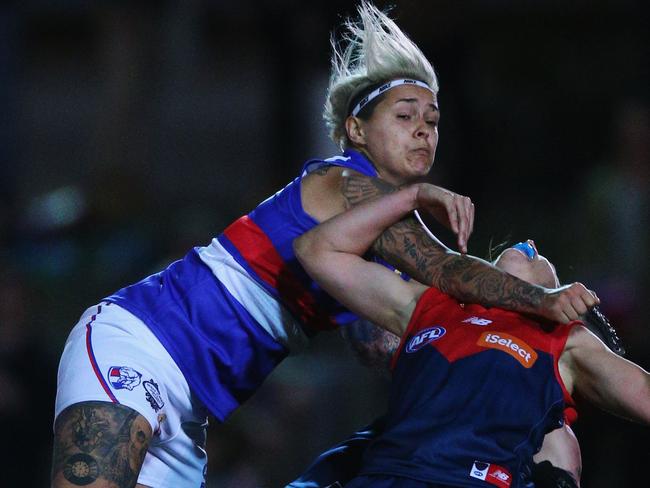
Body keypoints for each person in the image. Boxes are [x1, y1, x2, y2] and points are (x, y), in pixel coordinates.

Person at [51, 2, 598, 487]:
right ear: (357, 131)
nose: (423, 131)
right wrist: (541, 301)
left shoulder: (370, 243)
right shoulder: (347, 183)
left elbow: (386, 345)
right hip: (140, 343)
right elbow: (445, 268)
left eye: (432, 121)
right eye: (404, 117)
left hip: (192, 405)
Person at [293, 183, 650, 487]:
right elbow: (316, 249)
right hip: (382, 475)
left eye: (547, 263)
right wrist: (412, 195)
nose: (530, 245)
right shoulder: (433, 304)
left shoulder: (565, 343)